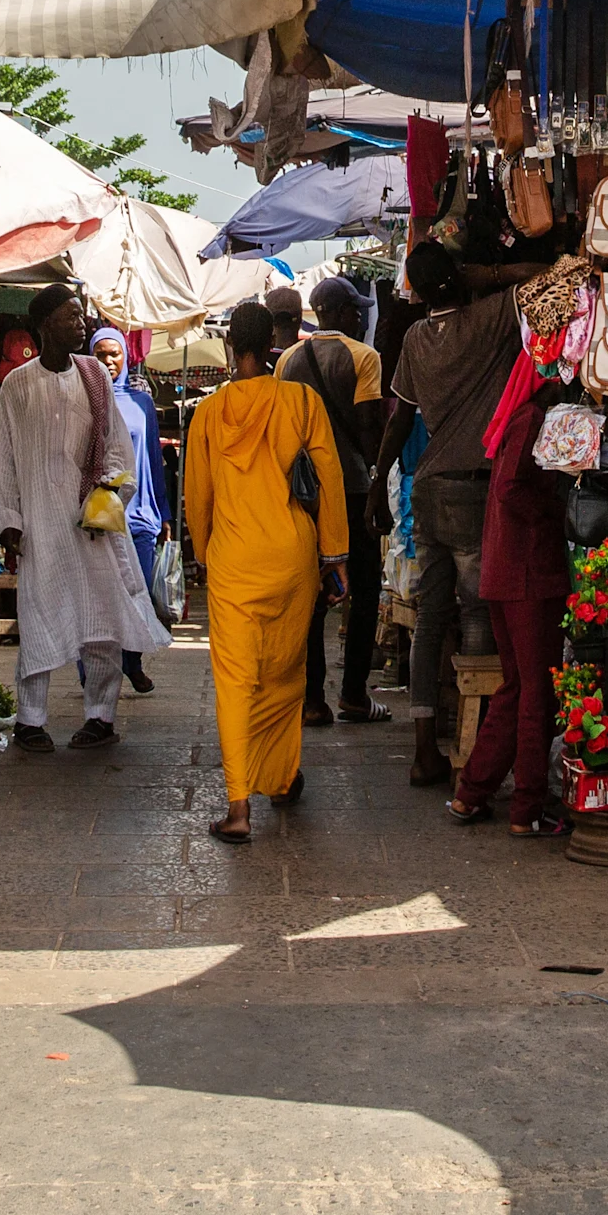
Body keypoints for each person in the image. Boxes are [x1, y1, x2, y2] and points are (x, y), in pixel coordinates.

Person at [183, 300, 347, 843]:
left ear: (231, 347)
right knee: (284, 669)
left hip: (234, 558)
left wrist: (205, 558)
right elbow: (329, 476)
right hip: (293, 556)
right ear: (274, 342)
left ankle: (238, 809)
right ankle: (279, 778)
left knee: (236, 680)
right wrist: (335, 554)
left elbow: (198, 496)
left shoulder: (207, 414)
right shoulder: (300, 401)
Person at [0, 283, 167, 752]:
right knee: (39, 614)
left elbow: (116, 450)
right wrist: (8, 519)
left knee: (101, 621)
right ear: (45, 325)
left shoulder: (95, 377)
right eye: (71, 316)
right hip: (41, 523)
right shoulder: (17, 384)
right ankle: (30, 720)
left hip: (91, 526)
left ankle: (101, 716)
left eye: (82, 314)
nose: (81, 323)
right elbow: (4, 455)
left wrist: (106, 494)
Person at [387, 240, 518, 790]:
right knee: (477, 614)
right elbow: (551, 274)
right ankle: (475, 746)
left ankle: (424, 751)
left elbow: (399, 421)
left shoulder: (416, 339)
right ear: (459, 276)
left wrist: (377, 487)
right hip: (472, 488)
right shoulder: (490, 319)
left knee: (430, 619)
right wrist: (489, 269)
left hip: (429, 489)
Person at [449, 345, 567, 833]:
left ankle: (473, 792)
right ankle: (528, 809)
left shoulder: (519, 417)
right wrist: (557, 508)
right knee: (535, 691)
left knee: (517, 687)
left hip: (509, 570)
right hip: (527, 572)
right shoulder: (532, 419)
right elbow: (513, 489)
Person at [280, 276, 389, 727]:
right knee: (362, 592)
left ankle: (312, 700)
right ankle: (354, 696)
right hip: (352, 489)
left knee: (312, 596)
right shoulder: (364, 357)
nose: (361, 316)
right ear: (341, 312)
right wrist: (379, 484)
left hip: (305, 495)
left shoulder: (286, 359)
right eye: (356, 309)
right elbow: (368, 427)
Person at [95, 327, 166, 695]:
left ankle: (132, 664)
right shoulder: (85, 400)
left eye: (115, 354)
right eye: (101, 354)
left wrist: (163, 512)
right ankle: (92, 671)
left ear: (126, 357)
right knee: (99, 597)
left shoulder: (142, 403)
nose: (108, 361)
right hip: (99, 518)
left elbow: (153, 458)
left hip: (139, 516)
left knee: (138, 595)